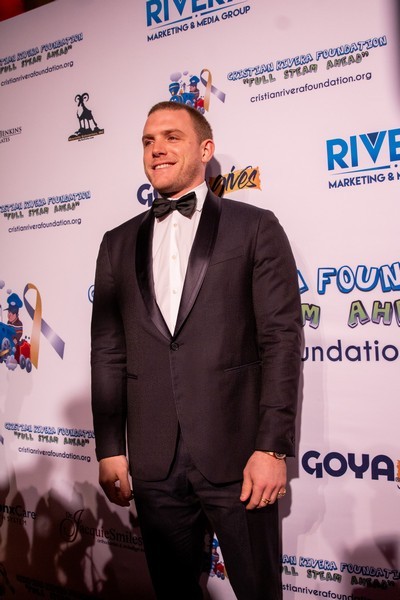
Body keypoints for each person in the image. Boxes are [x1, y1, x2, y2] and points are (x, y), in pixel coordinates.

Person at [91, 101, 302, 600]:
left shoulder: (255, 226)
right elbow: (108, 351)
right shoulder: (116, 243)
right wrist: (110, 447)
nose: (157, 149)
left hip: (240, 458)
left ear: (206, 150)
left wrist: (272, 448)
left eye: (172, 137)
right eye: (148, 141)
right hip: (153, 460)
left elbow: (281, 339)